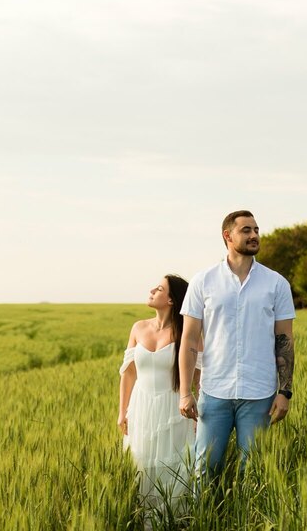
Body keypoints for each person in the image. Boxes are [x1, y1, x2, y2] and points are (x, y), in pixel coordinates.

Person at [177, 210, 295, 478]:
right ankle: (203, 520)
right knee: (204, 469)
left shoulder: (276, 283)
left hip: (259, 394)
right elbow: (189, 339)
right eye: (246, 230)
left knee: (253, 472)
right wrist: (185, 392)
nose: (254, 235)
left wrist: (284, 392)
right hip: (214, 391)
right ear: (227, 236)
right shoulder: (203, 281)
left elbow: (285, 340)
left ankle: (249, 520)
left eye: (256, 230)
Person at [118, 274, 201, 508]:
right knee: (142, 465)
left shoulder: (188, 332)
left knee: (172, 466)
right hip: (141, 408)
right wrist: (122, 411)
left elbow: (199, 377)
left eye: (159, 288)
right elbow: (129, 373)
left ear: (172, 300)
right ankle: (143, 528)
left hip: (174, 409)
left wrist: (199, 413)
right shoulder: (138, 327)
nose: (152, 290)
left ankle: (170, 527)